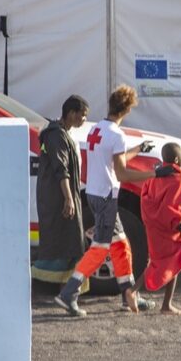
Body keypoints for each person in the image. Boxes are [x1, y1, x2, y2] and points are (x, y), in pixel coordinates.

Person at [53, 85, 159, 317]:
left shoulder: (97, 130)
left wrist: (138, 149)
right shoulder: (117, 135)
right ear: (127, 110)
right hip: (107, 198)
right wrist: (153, 174)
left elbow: (111, 159)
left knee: (121, 246)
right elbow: (121, 174)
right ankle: (68, 293)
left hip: (95, 193)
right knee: (101, 249)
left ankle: (128, 294)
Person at [140, 143, 181, 315]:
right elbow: (173, 209)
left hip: (154, 229)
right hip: (171, 231)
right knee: (174, 262)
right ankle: (165, 304)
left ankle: (133, 291)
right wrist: (180, 221)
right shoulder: (179, 181)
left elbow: (145, 199)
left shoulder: (153, 177)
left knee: (155, 261)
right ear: (177, 159)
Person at [32, 95, 89, 288]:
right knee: (63, 242)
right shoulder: (56, 135)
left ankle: (67, 289)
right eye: (83, 115)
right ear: (72, 114)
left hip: (63, 196)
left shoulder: (62, 132)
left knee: (68, 242)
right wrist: (69, 199)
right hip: (59, 198)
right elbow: (61, 169)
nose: (84, 119)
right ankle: (62, 289)